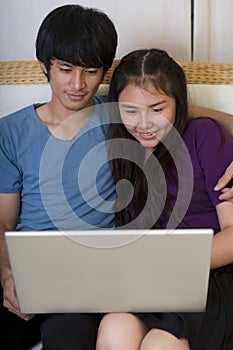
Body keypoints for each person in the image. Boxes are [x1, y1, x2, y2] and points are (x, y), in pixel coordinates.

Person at [0, 4, 232, 350]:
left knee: (102, 337)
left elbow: (168, 105)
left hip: (151, 278)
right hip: (67, 277)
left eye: (91, 71)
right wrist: (7, 274)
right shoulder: (19, 132)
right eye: (65, 69)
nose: (77, 84)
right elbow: (4, 222)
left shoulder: (135, 119)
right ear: (44, 66)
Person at [96, 48, 233, 350]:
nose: (144, 124)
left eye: (157, 109)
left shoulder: (204, 135)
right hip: (152, 277)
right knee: (114, 327)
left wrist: (171, 263)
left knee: (161, 343)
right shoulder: (120, 149)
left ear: (179, 104)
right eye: (131, 111)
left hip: (209, 276)